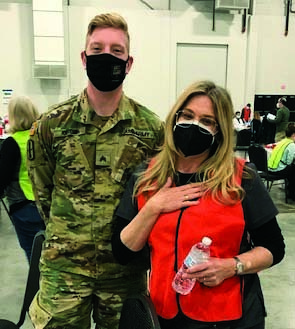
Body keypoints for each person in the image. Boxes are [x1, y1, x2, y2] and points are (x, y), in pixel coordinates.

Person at [27, 12, 164, 329]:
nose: (106, 57)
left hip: (124, 272)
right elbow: (43, 193)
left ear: (129, 63)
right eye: (97, 49)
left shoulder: (151, 129)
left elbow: (154, 196)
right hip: (65, 271)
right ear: (83, 57)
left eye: (116, 51)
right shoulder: (52, 125)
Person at [112, 80, 285, 329]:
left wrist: (232, 266)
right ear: (175, 117)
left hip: (230, 318)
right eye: (188, 115)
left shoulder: (241, 179)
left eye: (207, 121)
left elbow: (273, 248)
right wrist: (153, 207)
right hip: (165, 316)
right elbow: (122, 252)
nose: (194, 125)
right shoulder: (146, 177)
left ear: (220, 131)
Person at [0, 96, 45, 262]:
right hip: (48, 205)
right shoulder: (42, 138)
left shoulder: (12, 143)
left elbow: (2, 178)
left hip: (23, 206)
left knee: (33, 256)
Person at [268, 122, 295, 201]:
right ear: (293, 135)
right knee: (293, 170)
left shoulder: (281, 142)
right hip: (279, 170)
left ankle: (290, 191)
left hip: (270, 169)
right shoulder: (291, 145)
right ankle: (292, 194)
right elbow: (289, 161)